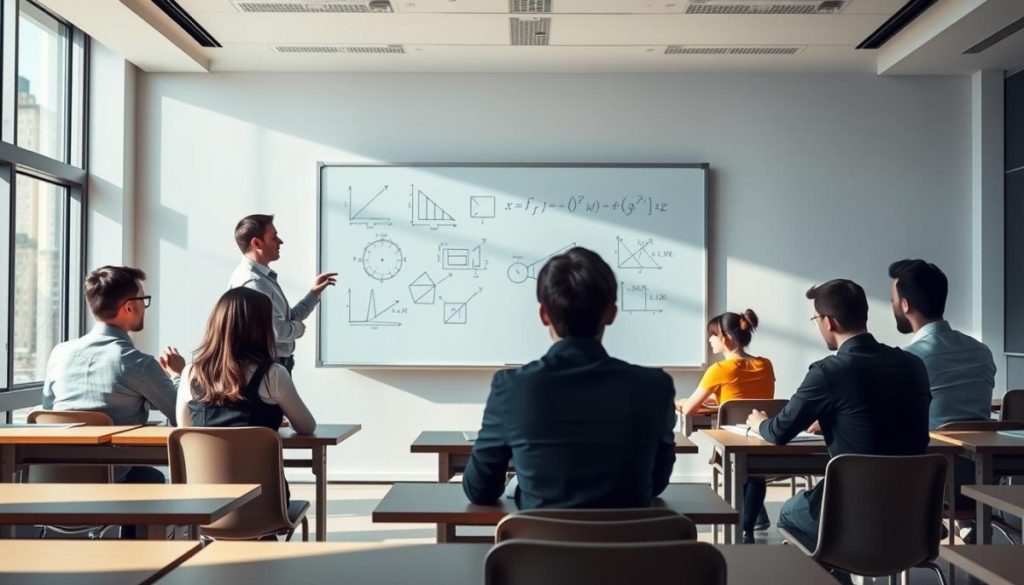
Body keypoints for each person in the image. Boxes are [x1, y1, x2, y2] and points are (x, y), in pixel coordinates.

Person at [462, 247, 677, 509]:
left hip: (539, 549)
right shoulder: (655, 387)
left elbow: (480, 489)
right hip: (628, 549)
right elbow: (655, 484)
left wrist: (523, 491)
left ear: (544, 315)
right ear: (611, 313)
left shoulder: (511, 388)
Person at [746, 279, 931, 546]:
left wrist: (759, 421)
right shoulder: (914, 365)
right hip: (914, 515)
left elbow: (778, 432)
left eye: (815, 319)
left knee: (788, 512)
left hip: (852, 511)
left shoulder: (828, 372)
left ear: (828, 321)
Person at [43, 265, 182, 485]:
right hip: (111, 481)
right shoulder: (137, 363)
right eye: (143, 300)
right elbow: (182, 416)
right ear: (129, 307)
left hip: (54, 479)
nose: (145, 307)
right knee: (153, 477)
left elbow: (48, 412)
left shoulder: (59, 353)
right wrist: (177, 374)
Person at [889, 258, 996, 542]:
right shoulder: (982, 352)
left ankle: (923, 522)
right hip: (985, 479)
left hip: (931, 485)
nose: (893, 307)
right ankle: (961, 523)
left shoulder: (909, 360)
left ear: (906, 305)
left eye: (893, 300)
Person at [176, 287, 317, 502]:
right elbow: (307, 427)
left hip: (203, 507)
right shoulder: (273, 375)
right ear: (261, 328)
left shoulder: (190, 374)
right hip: (265, 506)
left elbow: (186, 431)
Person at [677, 309, 774, 542]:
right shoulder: (765, 365)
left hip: (731, 445)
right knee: (754, 472)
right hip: (762, 440)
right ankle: (750, 525)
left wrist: (680, 403)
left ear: (726, 338)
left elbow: (690, 408)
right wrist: (720, 400)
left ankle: (745, 523)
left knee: (738, 466)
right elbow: (748, 396)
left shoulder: (719, 370)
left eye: (712, 335)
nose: (709, 340)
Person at [228, 214, 337, 374]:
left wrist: (314, 293)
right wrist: (299, 329)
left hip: (274, 366)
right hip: (266, 369)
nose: (280, 242)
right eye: (274, 237)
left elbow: (286, 319)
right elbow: (278, 331)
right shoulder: (253, 283)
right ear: (257, 243)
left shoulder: (263, 279)